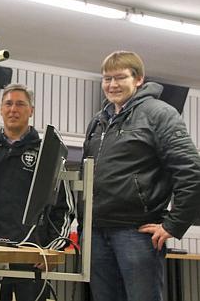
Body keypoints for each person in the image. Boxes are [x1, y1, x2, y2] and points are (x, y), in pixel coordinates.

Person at [82, 50, 200, 301]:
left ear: (138, 80)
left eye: (120, 77)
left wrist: (174, 225)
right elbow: (87, 175)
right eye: (106, 78)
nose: (112, 84)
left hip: (136, 232)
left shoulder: (160, 114)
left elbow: (191, 171)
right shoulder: (99, 121)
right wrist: (83, 227)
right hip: (96, 233)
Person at [0, 83, 75, 301]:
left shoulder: (48, 155)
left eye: (20, 104)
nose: (14, 109)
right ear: (1, 109)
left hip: (32, 255)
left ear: (31, 110)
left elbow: (65, 208)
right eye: (8, 104)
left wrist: (51, 250)